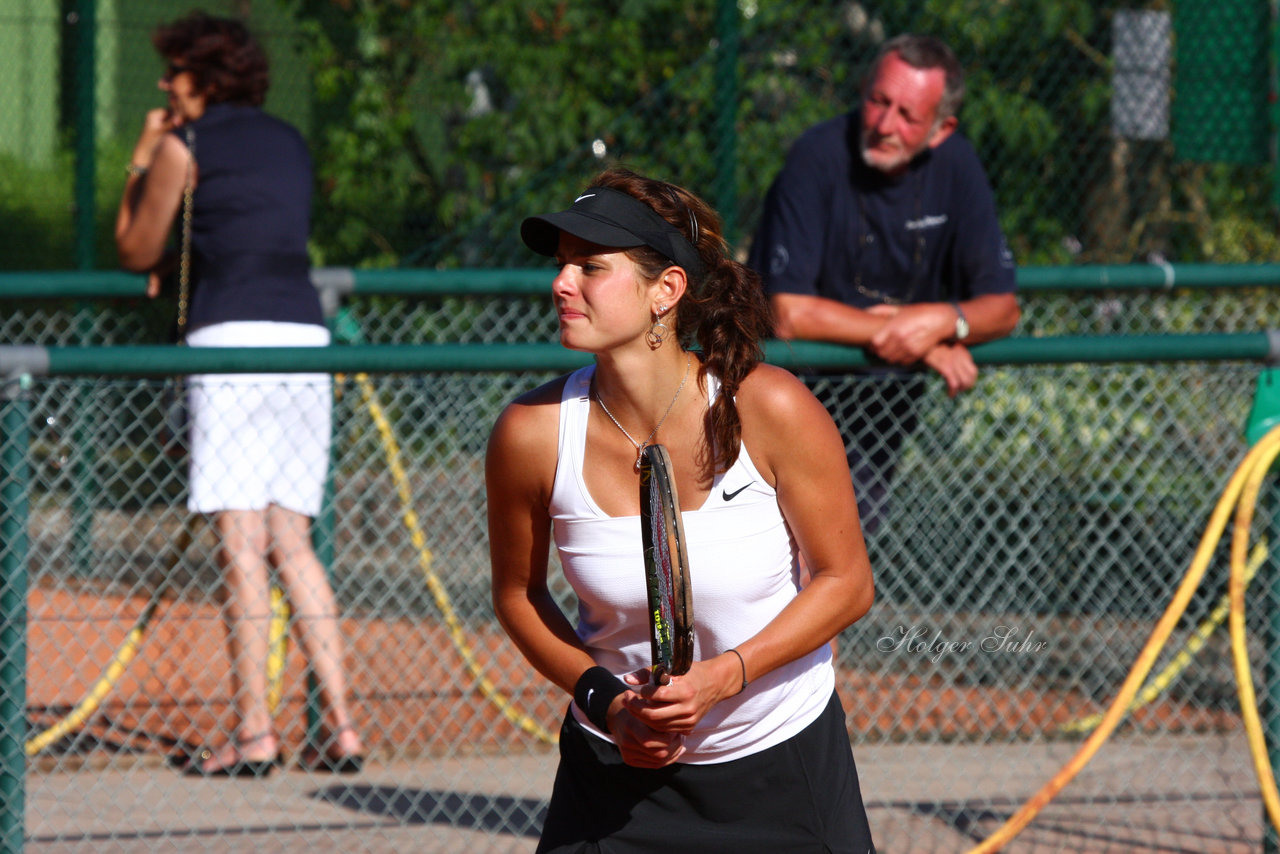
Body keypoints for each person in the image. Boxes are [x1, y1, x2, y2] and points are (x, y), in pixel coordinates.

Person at [486, 167, 877, 853]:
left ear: (666, 290)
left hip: (778, 772)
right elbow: (518, 595)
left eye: (590, 268)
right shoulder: (531, 431)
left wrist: (724, 677)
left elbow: (846, 583)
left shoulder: (770, 406)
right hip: (612, 775)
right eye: (561, 266)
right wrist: (607, 702)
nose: (561, 285)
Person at [114, 11, 363, 777]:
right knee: (293, 540)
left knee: (240, 544)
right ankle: (344, 726)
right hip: (302, 338)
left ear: (204, 76)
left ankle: (255, 731)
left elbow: (134, 249)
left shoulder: (182, 145)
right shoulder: (288, 141)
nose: (165, 84)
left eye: (174, 71)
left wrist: (141, 157)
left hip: (229, 340)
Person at [749, 33, 1021, 534]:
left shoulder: (957, 164)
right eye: (878, 101)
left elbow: (1003, 308)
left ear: (941, 130)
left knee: (847, 550)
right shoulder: (816, 156)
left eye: (907, 115)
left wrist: (943, 320)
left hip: (881, 407)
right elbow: (789, 313)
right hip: (789, 394)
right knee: (779, 547)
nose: (884, 124)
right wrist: (919, 338)